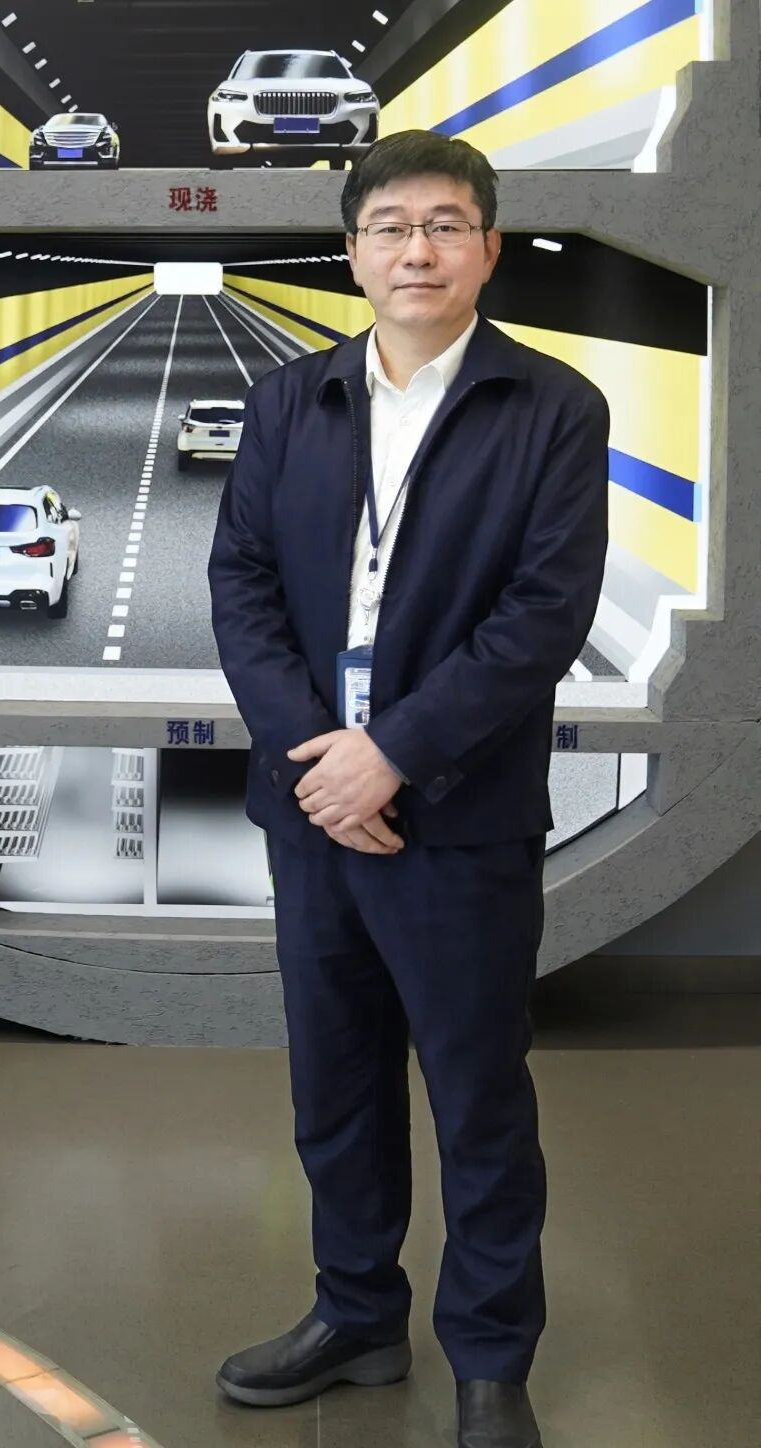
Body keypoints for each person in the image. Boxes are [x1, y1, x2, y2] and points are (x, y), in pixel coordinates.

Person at [207, 130, 610, 1448]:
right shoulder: (291, 401)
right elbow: (242, 584)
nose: (417, 250)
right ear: (352, 254)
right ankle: (356, 1314)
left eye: (445, 225)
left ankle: (491, 1357)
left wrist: (396, 754)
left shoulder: (551, 409)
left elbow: (541, 617)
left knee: (477, 1096)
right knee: (336, 1088)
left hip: (460, 814)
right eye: (390, 228)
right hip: (315, 811)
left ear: (488, 249)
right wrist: (317, 758)